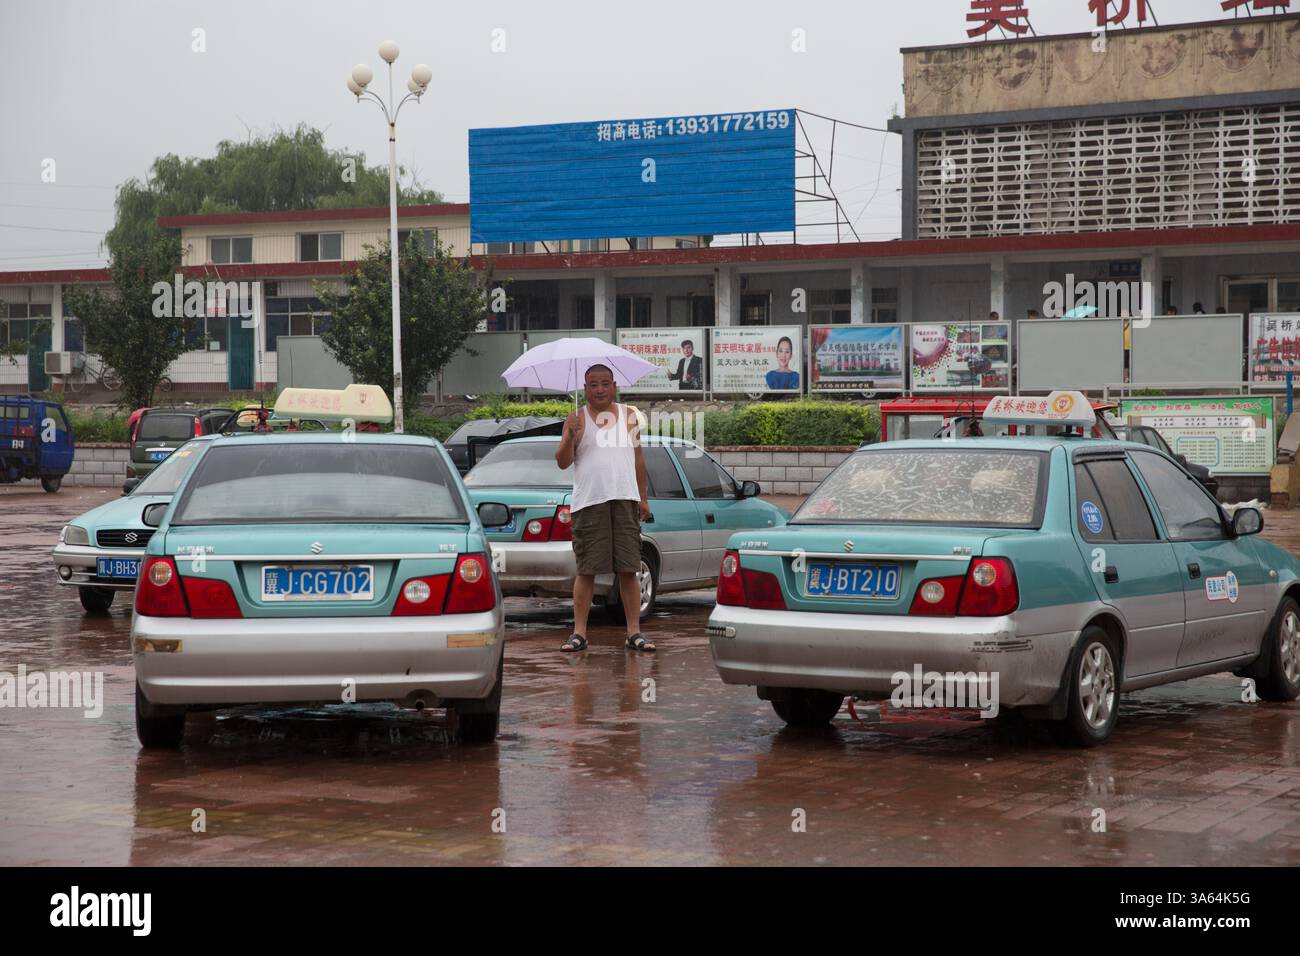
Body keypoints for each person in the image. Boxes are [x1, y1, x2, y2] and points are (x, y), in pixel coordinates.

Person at [554, 364, 653, 653]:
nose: (599, 389)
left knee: (628, 568)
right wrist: (570, 436)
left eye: (605, 383)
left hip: (625, 499)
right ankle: (579, 633)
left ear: (614, 386)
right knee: (586, 570)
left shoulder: (630, 416)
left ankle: (634, 632)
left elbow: (638, 459)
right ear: (584, 388)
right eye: (593, 384)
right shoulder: (576, 419)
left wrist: (643, 498)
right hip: (589, 502)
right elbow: (562, 462)